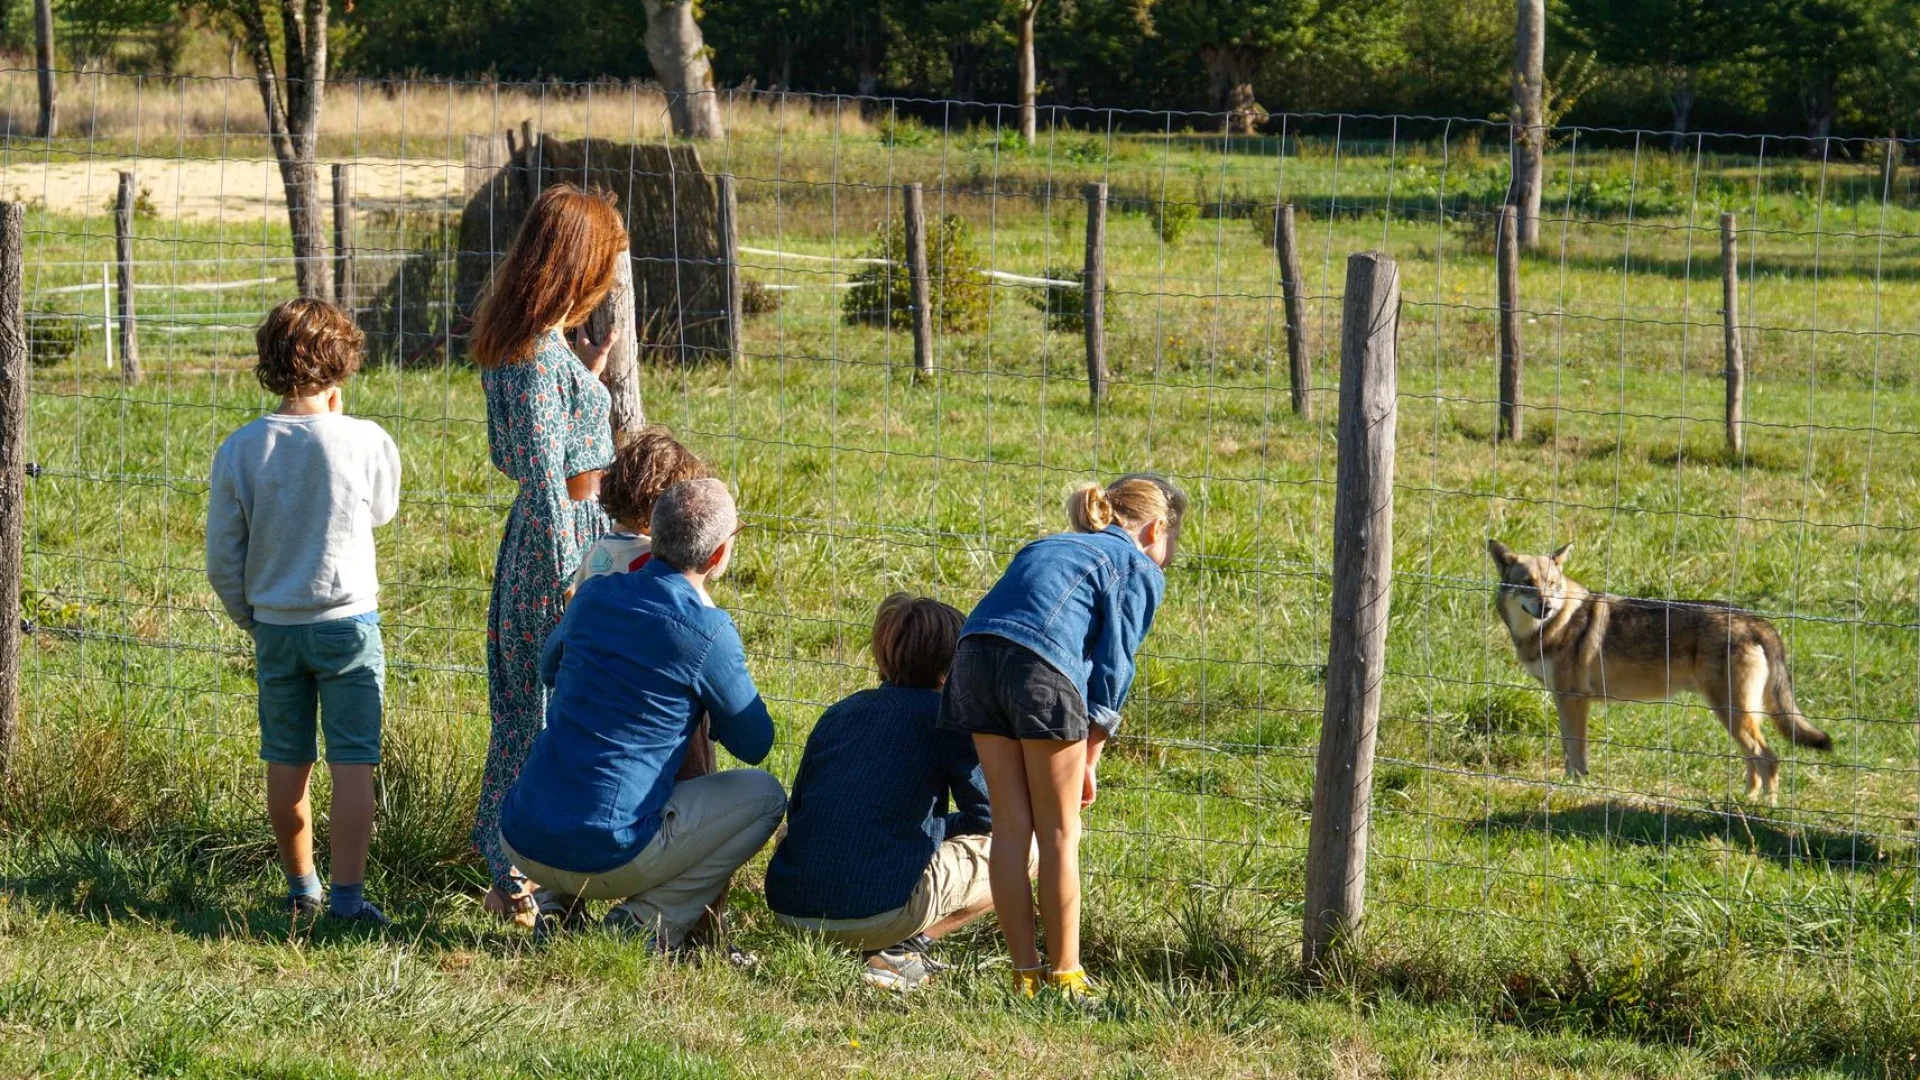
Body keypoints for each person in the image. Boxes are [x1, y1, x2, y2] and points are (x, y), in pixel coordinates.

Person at [498, 479, 785, 956]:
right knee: (766, 796)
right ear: (718, 555)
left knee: (582, 760)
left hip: (523, 836)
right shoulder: (708, 630)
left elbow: (550, 668)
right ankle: (645, 923)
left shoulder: (594, 596)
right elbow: (756, 742)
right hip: (609, 853)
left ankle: (553, 909)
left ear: (653, 531)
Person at [937, 474, 1186, 1000]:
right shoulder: (1135, 564)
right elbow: (1113, 672)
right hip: (1039, 671)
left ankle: (1024, 973)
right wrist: (1090, 756)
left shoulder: (1048, 544)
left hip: (973, 658)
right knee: (1059, 833)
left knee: (1010, 829)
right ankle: (1067, 974)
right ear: (1156, 528)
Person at [205, 298, 401, 926]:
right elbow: (381, 510)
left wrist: (253, 615)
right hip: (349, 625)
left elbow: (221, 557)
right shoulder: (365, 439)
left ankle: (301, 887)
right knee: (353, 764)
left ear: (269, 363)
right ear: (341, 367)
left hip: (277, 630)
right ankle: (347, 899)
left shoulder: (241, 448)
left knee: (286, 762)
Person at [469, 184, 626, 927]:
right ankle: (518, 878)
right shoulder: (534, 357)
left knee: (532, 713)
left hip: (557, 532)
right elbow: (543, 476)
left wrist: (586, 377)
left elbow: (553, 434)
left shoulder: (537, 347)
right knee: (540, 714)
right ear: (577, 266)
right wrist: (576, 579)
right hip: (556, 543)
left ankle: (524, 877)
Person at [766, 593, 1018, 992]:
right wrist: (934, 827)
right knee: (1029, 844)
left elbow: (801, 813)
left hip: (792, 910)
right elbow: (994, 820)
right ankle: (902, 949)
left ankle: (874, 945)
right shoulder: (946, 718)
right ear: (953, 663)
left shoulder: (840, 712)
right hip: (877, 912)